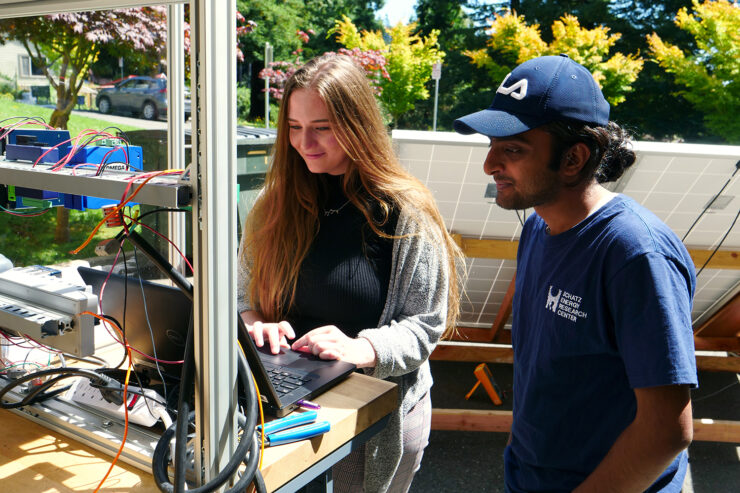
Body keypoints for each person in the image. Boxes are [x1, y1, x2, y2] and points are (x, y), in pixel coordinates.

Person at [453, 54, 697, 492]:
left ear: (574, 158)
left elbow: (667, 431)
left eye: (512, 148)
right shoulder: (537, 229)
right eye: (491, 145)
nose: (489, 165)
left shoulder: (635, 253)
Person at [237, 54, 463, 492]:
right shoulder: (273, 204)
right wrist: (254, 322)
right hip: (286, 406)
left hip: (375, 419)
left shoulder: (406, 212)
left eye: (322, 127)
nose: (305, 143)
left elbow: (425, 325)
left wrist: (362, 348)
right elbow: (241, 294)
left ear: (358, 125)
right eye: (295, 127)